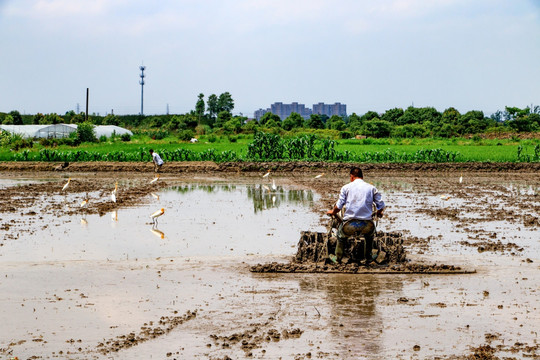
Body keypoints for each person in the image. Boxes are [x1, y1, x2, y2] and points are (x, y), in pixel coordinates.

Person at [326, 167, 385, 263]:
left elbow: (339, 206)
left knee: (340, 236)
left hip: (349, 224)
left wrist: (333, 212)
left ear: (352, 176)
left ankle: (338, 258)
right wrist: (378, 212)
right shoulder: (371, 188)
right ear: (362, 177)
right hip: (367, 224)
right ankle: (368, 257)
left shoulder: (346, 188)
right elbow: (381, 205)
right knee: (369, 236)